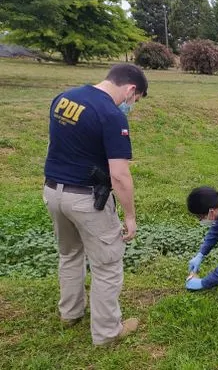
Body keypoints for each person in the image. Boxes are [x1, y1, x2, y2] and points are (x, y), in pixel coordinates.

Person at [43, 64, 148, 345]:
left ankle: (70, 313)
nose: (131, 106)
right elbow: (120, 175)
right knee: (107, 265)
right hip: (86, 199)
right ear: (131, 90)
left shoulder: (65, 98)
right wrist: (130, 216)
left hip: (54, 192)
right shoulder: (111, 116)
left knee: (69, 254)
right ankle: (107, 333)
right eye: (135, 101)